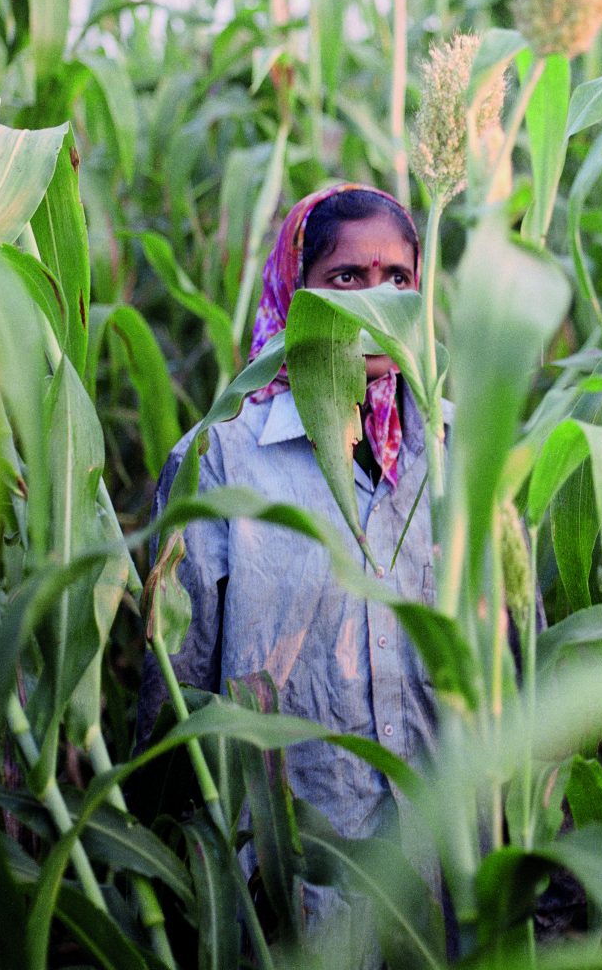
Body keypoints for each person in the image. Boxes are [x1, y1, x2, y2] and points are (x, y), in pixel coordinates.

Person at [137, 182, 446, 874]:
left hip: (451, 890)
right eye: (346, 278)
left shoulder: (457, 450)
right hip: (291, 897)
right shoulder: (220, 461)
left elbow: (519, 673)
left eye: (397, 278)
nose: (378, 302)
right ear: (294, 291)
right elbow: (176, 697)